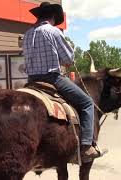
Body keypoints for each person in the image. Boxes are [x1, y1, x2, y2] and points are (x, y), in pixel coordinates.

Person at [22, 2, 103, 162]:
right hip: (52, 78)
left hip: (31, 81)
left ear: (39, 16)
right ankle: (86, 146)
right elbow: (68, 59)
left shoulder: (28, 34)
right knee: (87, 103)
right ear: (52, 16)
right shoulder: (53, 32)